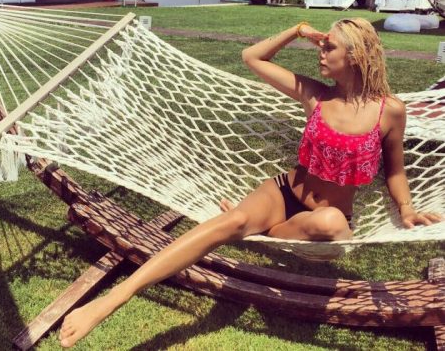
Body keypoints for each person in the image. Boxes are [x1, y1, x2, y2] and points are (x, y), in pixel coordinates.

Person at [59, 18, 442, 348]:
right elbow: (252, 58)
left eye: (330, 47)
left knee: (329, 224)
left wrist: (406, 208)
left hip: (327, 219)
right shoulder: (316, 96)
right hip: (283, 193)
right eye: (321, 45)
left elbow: (395, 170)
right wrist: (296, 31)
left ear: (355, 56)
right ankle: (114, 298)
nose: (320, 53)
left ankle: (256, 229)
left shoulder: (390, 111)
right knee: (231, 222)